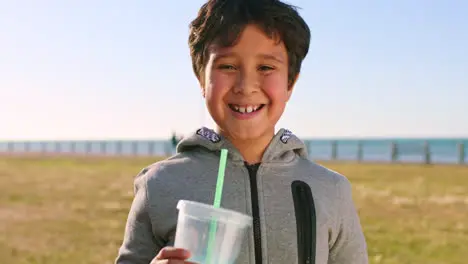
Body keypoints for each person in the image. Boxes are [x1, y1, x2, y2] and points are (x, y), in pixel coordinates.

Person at [115, 0, 368, 263]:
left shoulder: (330, 189)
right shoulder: (159, 184)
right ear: (201, 78)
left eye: (266, 68)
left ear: (290, 83)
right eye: (228, 66)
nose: (246, 86)